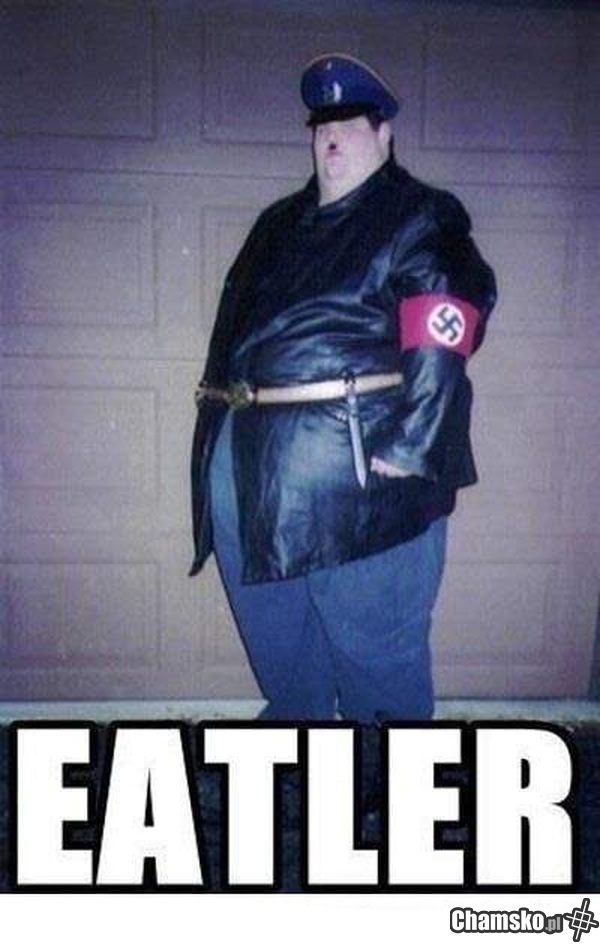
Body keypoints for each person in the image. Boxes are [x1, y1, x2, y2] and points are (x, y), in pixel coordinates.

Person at [190, 53, 496, 722]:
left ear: (384, 132)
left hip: (357, 476)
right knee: (279, 638)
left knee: (377, 652)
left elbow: (444, 322)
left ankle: (393, 767)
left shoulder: (419, 215)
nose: (331, 135)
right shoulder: (277, 224)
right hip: (248, 467)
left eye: (350, 122)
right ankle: (301, 738)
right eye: (321, 125)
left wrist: (414, 445)